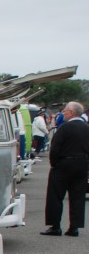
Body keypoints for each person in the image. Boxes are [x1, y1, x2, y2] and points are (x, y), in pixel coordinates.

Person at [41, 101, 89, 237]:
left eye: (65, 111)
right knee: (78, 196)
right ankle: (74, 227)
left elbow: (55, 147)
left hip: (63, 164)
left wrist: (54, 163)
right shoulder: (87, 128)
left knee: (55, 196)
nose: (63, 113)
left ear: (72, 113)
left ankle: (55, 226)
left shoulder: (64, 128)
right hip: (82, 164)